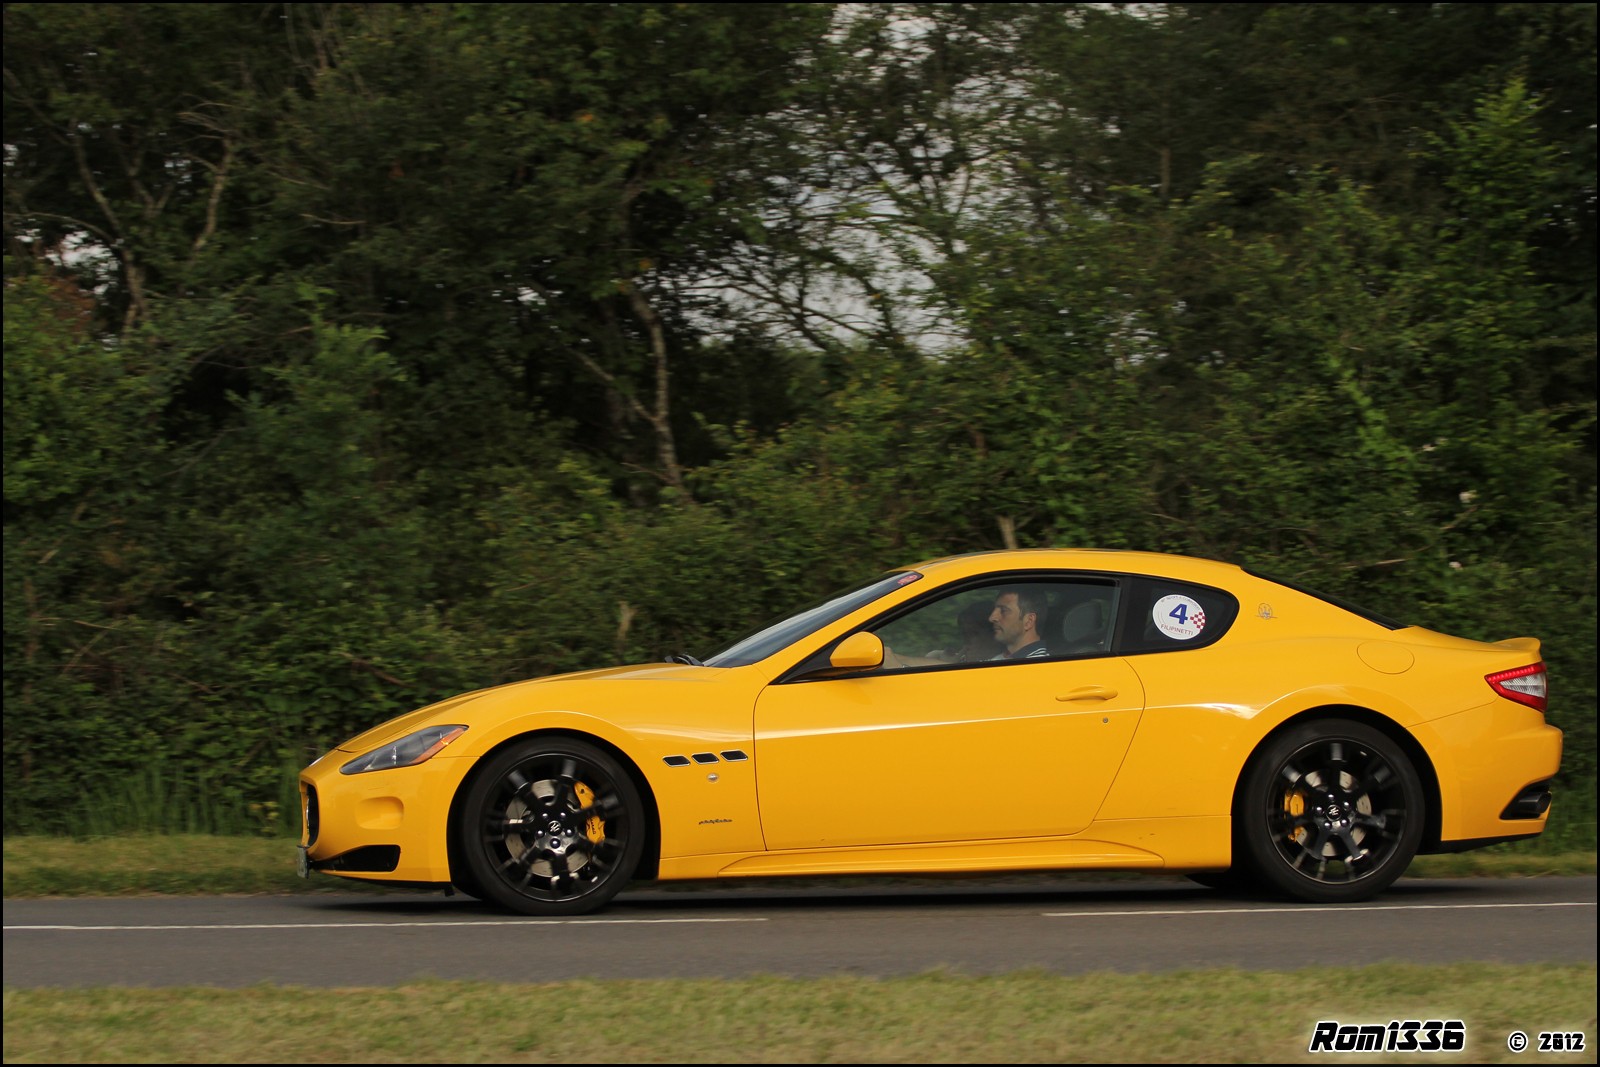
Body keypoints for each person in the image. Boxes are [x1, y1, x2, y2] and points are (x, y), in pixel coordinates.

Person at [987, 588, 1050, 659]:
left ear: (1029, 621)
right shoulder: (1001, 658)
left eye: (1003, 610)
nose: (992, 618)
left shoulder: (1039, 666)